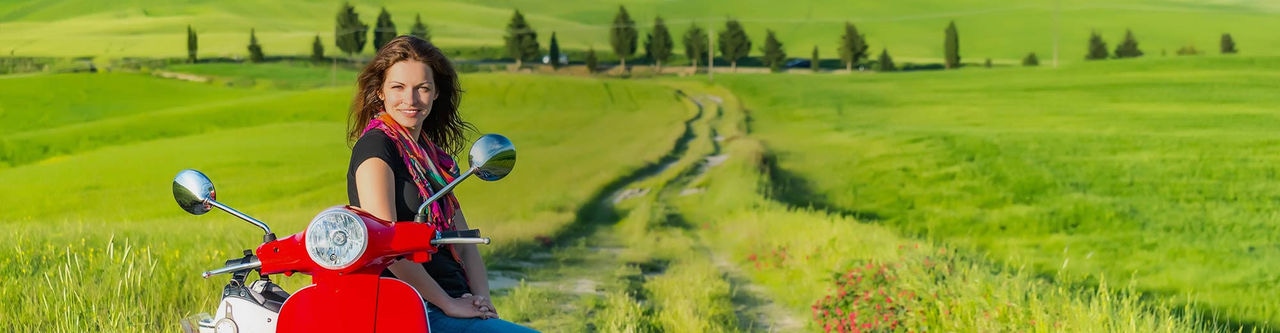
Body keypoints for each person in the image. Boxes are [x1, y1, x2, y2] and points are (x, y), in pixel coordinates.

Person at [346, 35, 537, 332]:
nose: (410, 100)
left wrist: (482, 302)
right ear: (380, 92)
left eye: (422, 88)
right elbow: (387, 248)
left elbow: (465, 243)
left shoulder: (429, 157)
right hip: (412, 308)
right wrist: (448, 303)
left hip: (453, 302)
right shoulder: (376, 148)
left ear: (436, 93)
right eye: (398, 87)